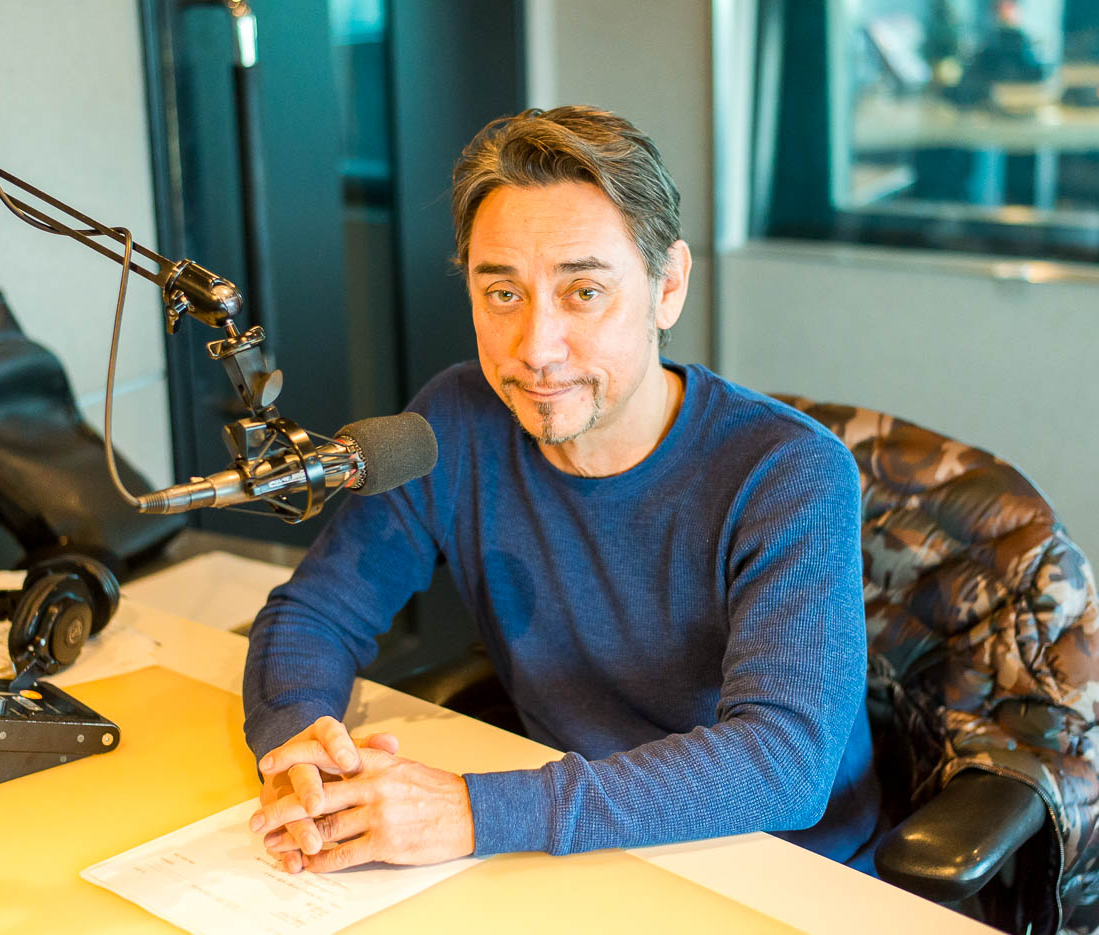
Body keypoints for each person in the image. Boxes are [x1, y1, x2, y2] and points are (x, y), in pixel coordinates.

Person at [242, 105, 881, 875]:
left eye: (583, 292)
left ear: (668, 286)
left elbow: (785, 762)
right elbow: (315, 612)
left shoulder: (788, 471)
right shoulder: (457, 421)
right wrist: (301, 741)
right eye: (503, 294)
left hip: (779, 872)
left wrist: (473, 811)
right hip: (575, 857)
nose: (537, 349)